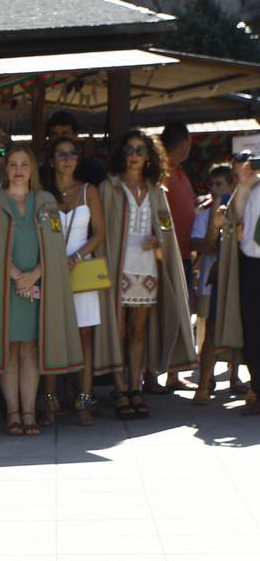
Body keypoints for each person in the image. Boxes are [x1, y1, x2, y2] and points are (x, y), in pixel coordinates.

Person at [0, 143, 83, 435]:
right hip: (5, 286)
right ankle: (13, 414)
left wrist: (35, 275)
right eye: (13, 165)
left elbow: (55, 247)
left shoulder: (45, 202)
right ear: (5, 170)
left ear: (32, 169)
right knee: (8, 348)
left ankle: (30, 412)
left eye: (24, 164)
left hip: (37, 284)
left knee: (30, 348)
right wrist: (18, 276)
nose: (18, 170)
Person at [99, 130, 197, 419]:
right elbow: (102, 233)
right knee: (117, 329)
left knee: (137, 330)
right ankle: (119, 388)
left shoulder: (157, 191)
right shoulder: (109, 188)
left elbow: (166, 232)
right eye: (129, 149)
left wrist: (158, 240)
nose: (134, 156)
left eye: (140, 150)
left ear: (149, 156)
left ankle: (135, 387)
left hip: (146, 267)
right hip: (117, 265)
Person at [42, 134, 108, 427]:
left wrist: (77, 257)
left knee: (84, 338)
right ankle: (50, 403)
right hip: (50, 272)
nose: (67, 159)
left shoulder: (88, 191)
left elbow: (100, 232)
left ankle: (83, 401)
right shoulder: (42, 194)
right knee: (51, 335)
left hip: (81, 270)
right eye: (61, 154)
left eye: (72, 154)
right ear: (51, 160)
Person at [215, 153, 260, 414]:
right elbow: (235, 219)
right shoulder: (250, 186)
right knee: (253, 330)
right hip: (252, 264)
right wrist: (243, 184)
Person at [191, 163, 235, 404]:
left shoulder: (242, 207)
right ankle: (203, 384)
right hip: (211, 281)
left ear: (233, 185)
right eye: (212, 185)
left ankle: (237, 378)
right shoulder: (205, 212)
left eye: (221, 185)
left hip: (235, 279)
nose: (215, 189)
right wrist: (215, 219)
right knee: (209, 333)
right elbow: (206, 245)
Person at [161, 121, 196, 392]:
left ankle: (173, 374)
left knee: (181, 312)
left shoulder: (180, 173)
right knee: (162, 314)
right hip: (166, 255)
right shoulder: (163, 173)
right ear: (184, 142)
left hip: (184, 253)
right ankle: (152, 375)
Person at [44, 110, 108, 187]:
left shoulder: (94, 171)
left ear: (74, 136)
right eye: (55, 135)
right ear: (49, 138)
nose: (60, 139)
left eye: (65, 134)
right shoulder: (41, 174)